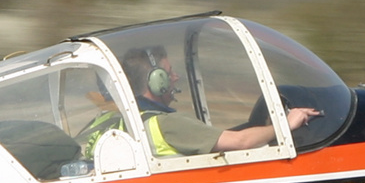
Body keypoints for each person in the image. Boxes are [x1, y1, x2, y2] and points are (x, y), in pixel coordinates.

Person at [91, 47, 322, 158]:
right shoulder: (168, 124)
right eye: (169, 73)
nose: (176, 77)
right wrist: (285, 125)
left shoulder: (108, 122)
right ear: (156, 81)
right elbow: (240, 142)